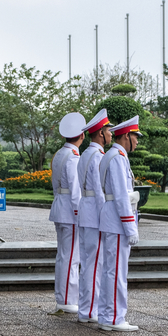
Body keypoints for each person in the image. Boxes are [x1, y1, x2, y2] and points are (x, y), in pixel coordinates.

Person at [97, 115, 141, 332]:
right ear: (126, 136)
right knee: (116, 271)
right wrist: (130, 226)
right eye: (135, 136)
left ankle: (109, 315)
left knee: (111, 270)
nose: (137, 141)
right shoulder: (117, 158)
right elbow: (122, 197)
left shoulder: (112, 155)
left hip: (112, 218)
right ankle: (114, 316)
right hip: (116, 220)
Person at [75, 109, 113, 323]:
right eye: (108, 130)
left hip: (85, 210)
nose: (110, 134)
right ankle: (90, 310)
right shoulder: (99, 156)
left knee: (89, 262)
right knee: (94, 264)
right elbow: (100, 191)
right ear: (100, 133)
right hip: (95, 213)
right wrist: (104, 217)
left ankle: (86, 308)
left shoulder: (85, 154)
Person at [49, 112, 86, 314]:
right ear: (81, 136)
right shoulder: (73, 157)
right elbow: (75, 191)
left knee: (64, 255)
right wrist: (79, 214)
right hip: (69, 211)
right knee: (72, 257)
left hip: (60, 207)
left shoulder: (60, 154)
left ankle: (63, 296)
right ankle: (67, 298)